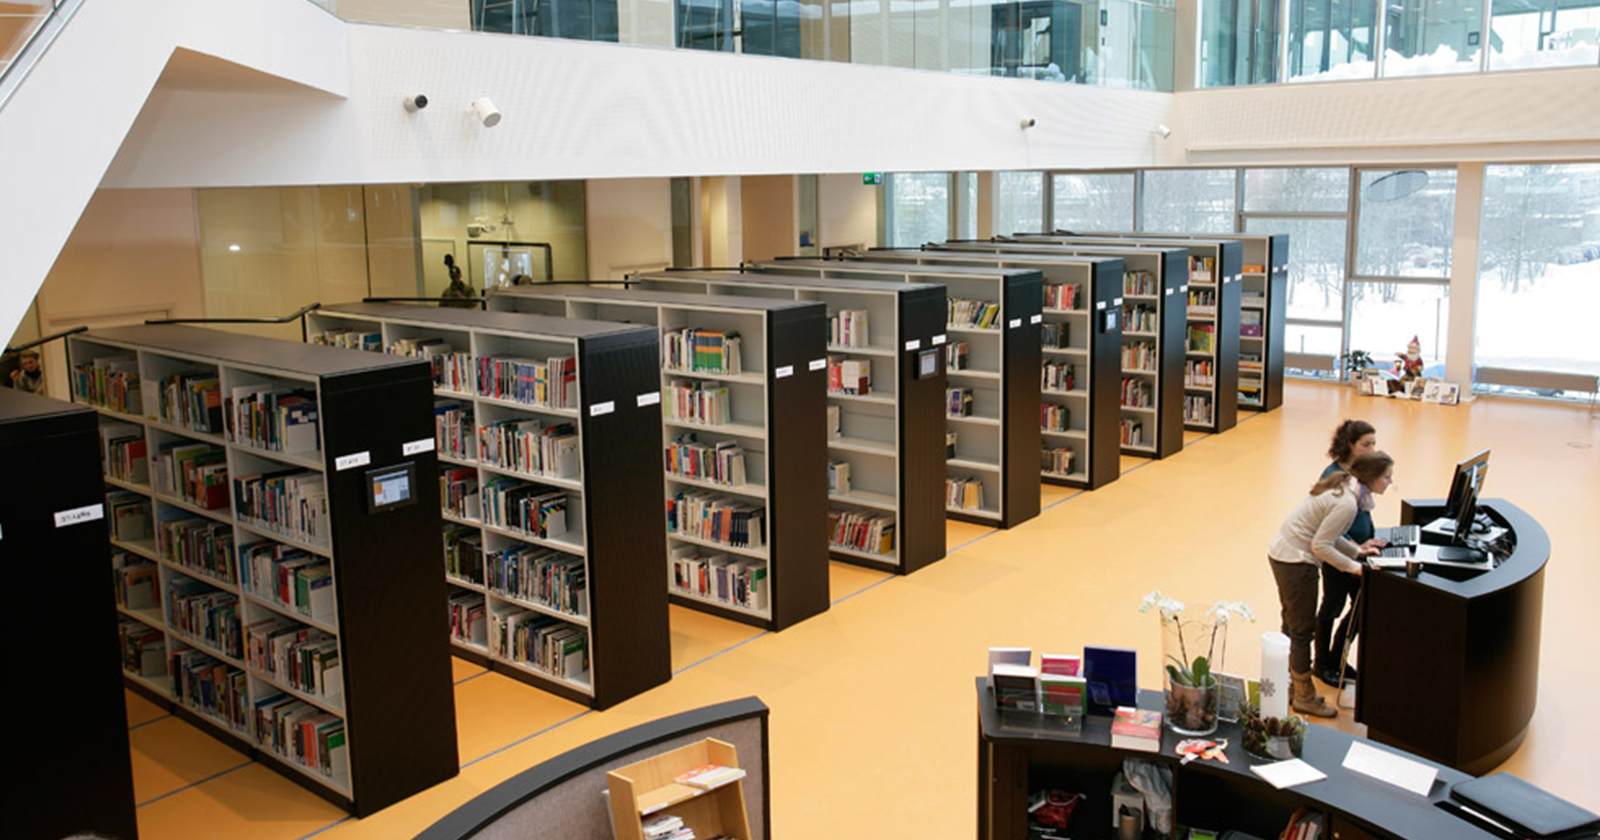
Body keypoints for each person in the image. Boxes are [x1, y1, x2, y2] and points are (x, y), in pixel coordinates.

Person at [1267, 451, 1393, 717]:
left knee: (1292, 625)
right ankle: (1304, 696)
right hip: (1295, 560)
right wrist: (1356, 568)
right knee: (1301, 631)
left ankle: (1289, 685)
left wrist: (1357, 552)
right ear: (1370, 478)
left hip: (1284, 553)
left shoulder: (1345, 487)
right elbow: (1321, 545)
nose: (1389, 483)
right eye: (1386, 477)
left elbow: (1329, 535)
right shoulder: (1347, 503)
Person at [1314, 420, 1384, 685]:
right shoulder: (1333, 475)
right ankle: (1322, 663)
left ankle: (1337, 658)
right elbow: (1329, 526)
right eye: (1366, 444)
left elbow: (1364, 510)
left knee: (1360, 607)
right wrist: (1354, 547)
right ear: (1350, 445)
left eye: (1374, 443)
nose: (1372, 449)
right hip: (1339, 553)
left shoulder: (1362, 472)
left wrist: (1369, 540)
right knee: (1332, 605)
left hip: (1360, 550)